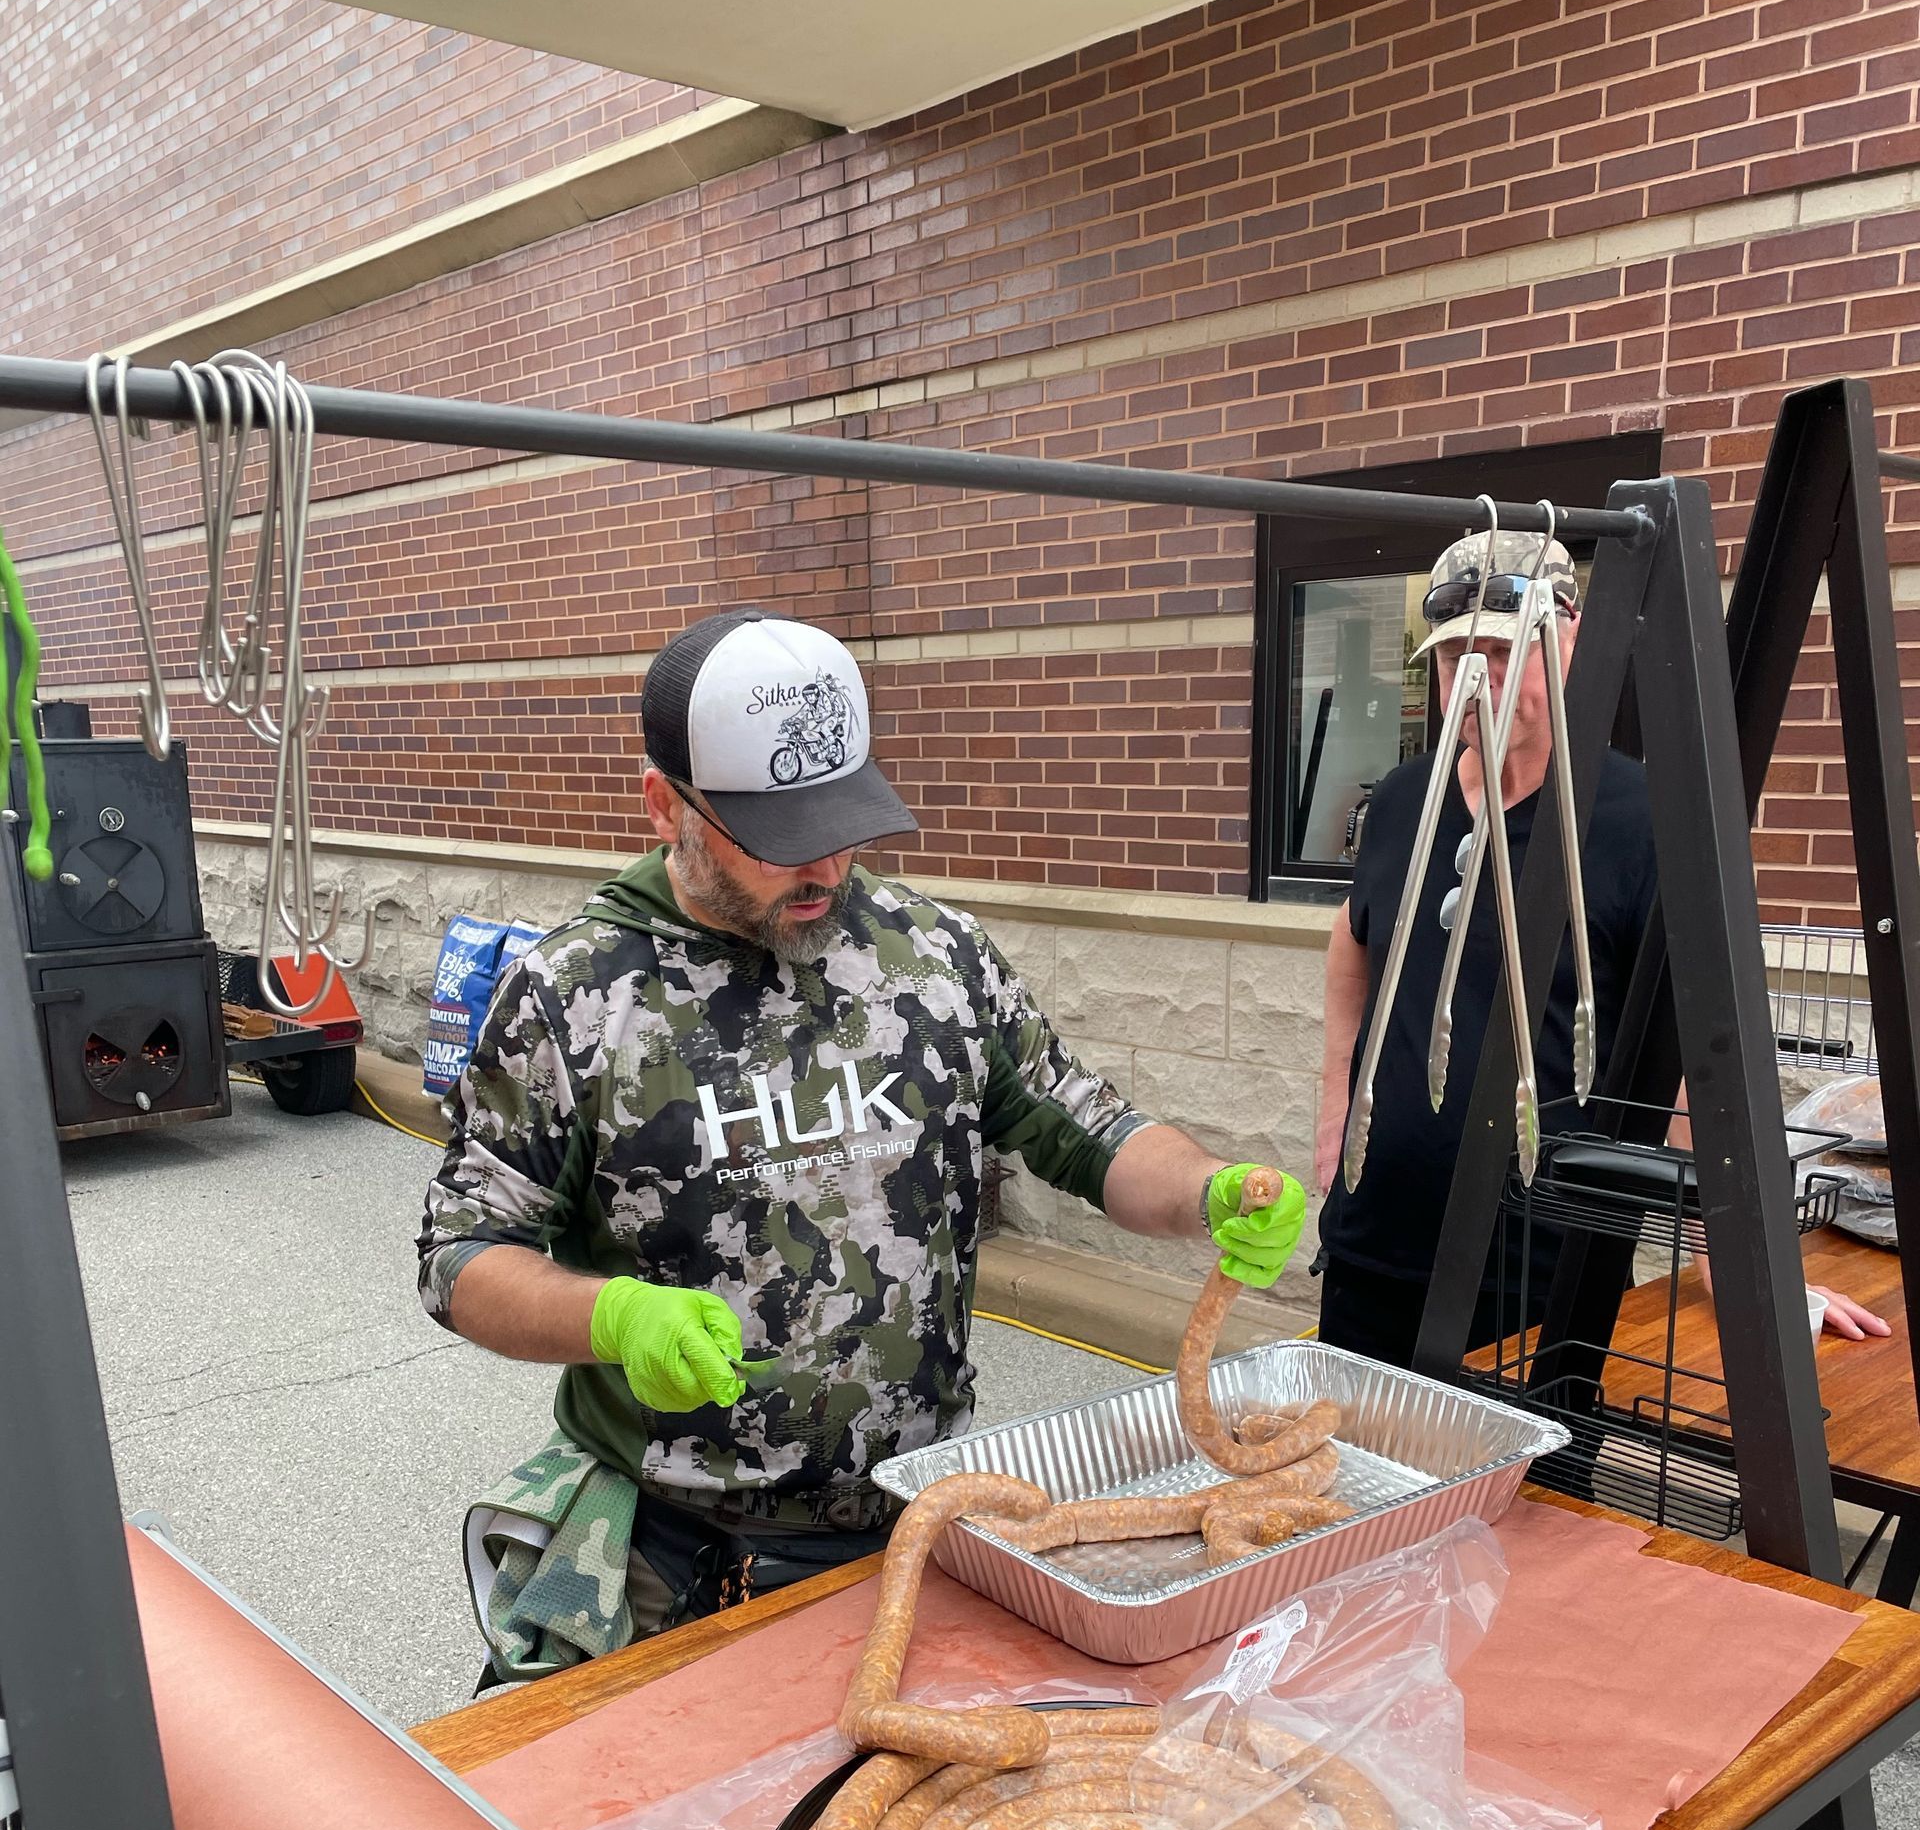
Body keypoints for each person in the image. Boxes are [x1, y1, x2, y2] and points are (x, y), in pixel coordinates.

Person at [420, 608, 1307, 1656]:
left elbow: (1091, 1129)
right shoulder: (573, 995)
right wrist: (612, 1318)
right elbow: (461, 1257)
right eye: (781, 841)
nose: (829, 870)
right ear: (667, 805)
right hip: (670, 1543)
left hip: (915, 1518)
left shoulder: (932, 956)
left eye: (843, 824)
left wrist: (1209, 1189)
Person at [1312, 531, 1886, 1367]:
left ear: (1573, 643)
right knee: (1355, 1488)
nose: (1480, 683)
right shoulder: (1405, 799)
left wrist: (1741, 1267)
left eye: (1507, 653)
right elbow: (1354, 940)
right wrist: (1335, 1120)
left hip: (1541, 1275)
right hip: (1374, 1248)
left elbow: (1698, 1060)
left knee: (1524, 1500)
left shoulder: (1643, 823)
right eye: (1455, 658)